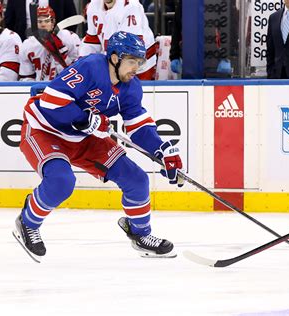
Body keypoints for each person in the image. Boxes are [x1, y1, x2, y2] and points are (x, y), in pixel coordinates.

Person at [12, 31, 184, 263]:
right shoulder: (91, 66)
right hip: (45, 129)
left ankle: (140, 234)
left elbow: (138, 125)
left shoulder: (131, 87)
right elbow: (50, 99)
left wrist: (161, 150)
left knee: (136, 179)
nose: (136, 68)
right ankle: (27, 223)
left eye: (140, 62)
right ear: (114, 58)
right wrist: (82, 116)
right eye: (132, 61)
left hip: (84, 136)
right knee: (61, 181)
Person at [80, 0, 157, 80]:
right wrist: (81, 63)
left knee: (135, 90)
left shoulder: (131, 6)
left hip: (139, 62)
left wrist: (102, 68)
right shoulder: (93, 6)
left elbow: (130, 48)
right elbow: (92, 42)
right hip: (114, 59)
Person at [19, 5, 81, 81]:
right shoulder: (27, 44)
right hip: (40, 88)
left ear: (53, 22)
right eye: (39, 21)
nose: (43, 25)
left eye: (47, 21)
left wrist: (60, 52)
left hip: (66, 86)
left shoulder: (69, 37)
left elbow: (78, 71)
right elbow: (26, 77)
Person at [4, 0, 78, 42]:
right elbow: (9, 21)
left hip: (55, 45)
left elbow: (70, 18)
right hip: (24, 43)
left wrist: (61, 40)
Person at [169, 0, 182, 75]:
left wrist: (224, 56)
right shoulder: (184, 4)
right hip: (188, 58)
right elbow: (176, 30)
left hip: (214, 57)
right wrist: (174, 56)